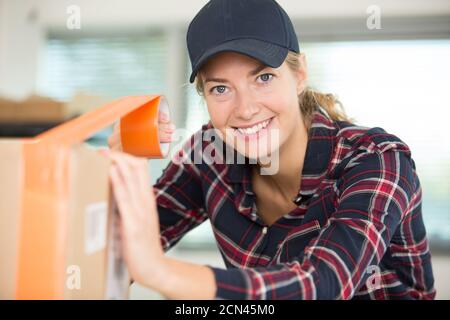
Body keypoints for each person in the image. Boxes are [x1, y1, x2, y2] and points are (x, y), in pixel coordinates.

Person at [105, 0, 436, 299]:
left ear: (300, 75)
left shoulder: (376, 160)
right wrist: (117, 173)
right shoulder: (209, 154)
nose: (245, 109)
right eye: (221, 88)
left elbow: (325, 283)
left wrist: (162, 273)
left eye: (263, 78)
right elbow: (111, 250)